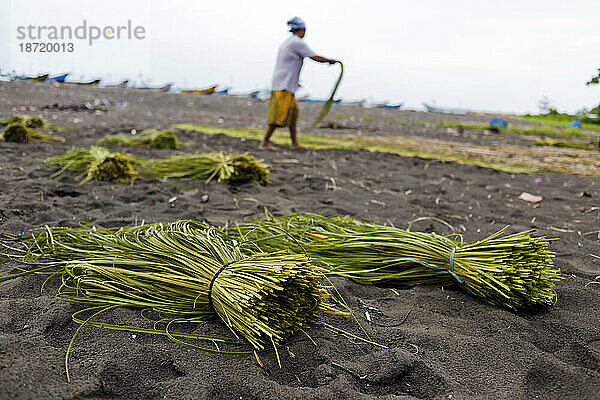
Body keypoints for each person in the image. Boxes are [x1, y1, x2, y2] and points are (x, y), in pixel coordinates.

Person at [259, 17, 338, 150]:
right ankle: (264, 143)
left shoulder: (290, 42)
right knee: (279, 113)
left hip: (287, 85)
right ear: (301, 30)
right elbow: (314, 56)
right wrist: (330, 61)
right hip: (283, 85)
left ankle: (294, 143)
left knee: (292, 113)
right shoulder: (296, 42)